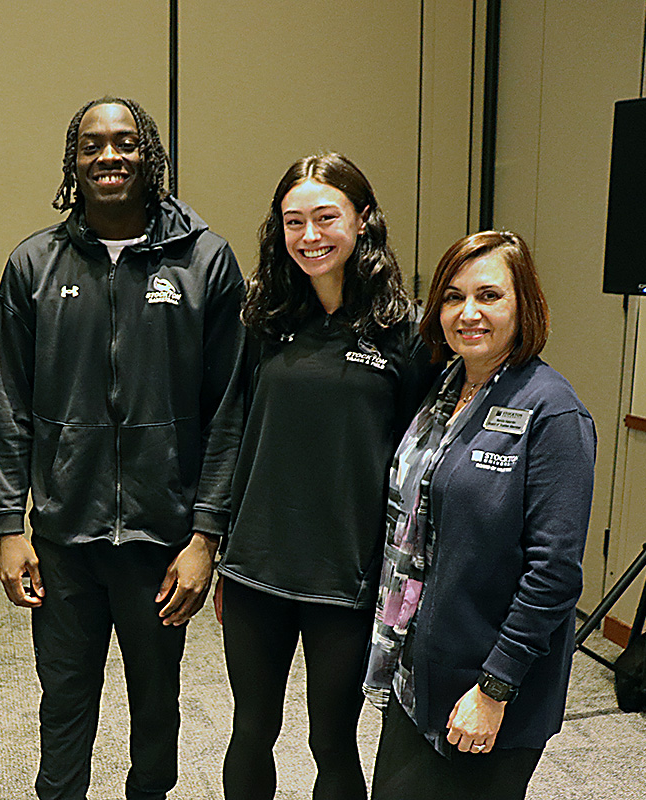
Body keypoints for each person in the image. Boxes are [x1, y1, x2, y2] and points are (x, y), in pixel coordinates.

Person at [0, 96, 245, 800]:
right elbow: (6, 408)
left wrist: (205, 537)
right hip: (65, 538)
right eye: (93, 145)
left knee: (156, 708)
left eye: (126, 143)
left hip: (162, 542)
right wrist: (10, 526)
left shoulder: (205, 262)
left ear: (150, 155)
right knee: (63, 706)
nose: (110, 156)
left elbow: (228, 411)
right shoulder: (34, 265)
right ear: (73, 162)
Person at [213, 154, 437, 800]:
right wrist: (217, 542)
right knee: (250, 729)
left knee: (330, 741)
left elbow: (420, 459)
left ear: (363, 220)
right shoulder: (267, 319)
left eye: (325, 217)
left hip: (346, 576)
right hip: (257, 568)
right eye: (293, 221)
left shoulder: (406, 333)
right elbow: (233, 430)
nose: (309, 235)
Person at [363, 230, 596, 800]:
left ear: (525, 306)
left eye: (489, 296)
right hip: (419, 671)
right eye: (452, 296)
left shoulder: (553, 412)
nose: (468, 313)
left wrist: (493, 688)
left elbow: (555, 574)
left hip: (489, 687)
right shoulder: (444, 391)